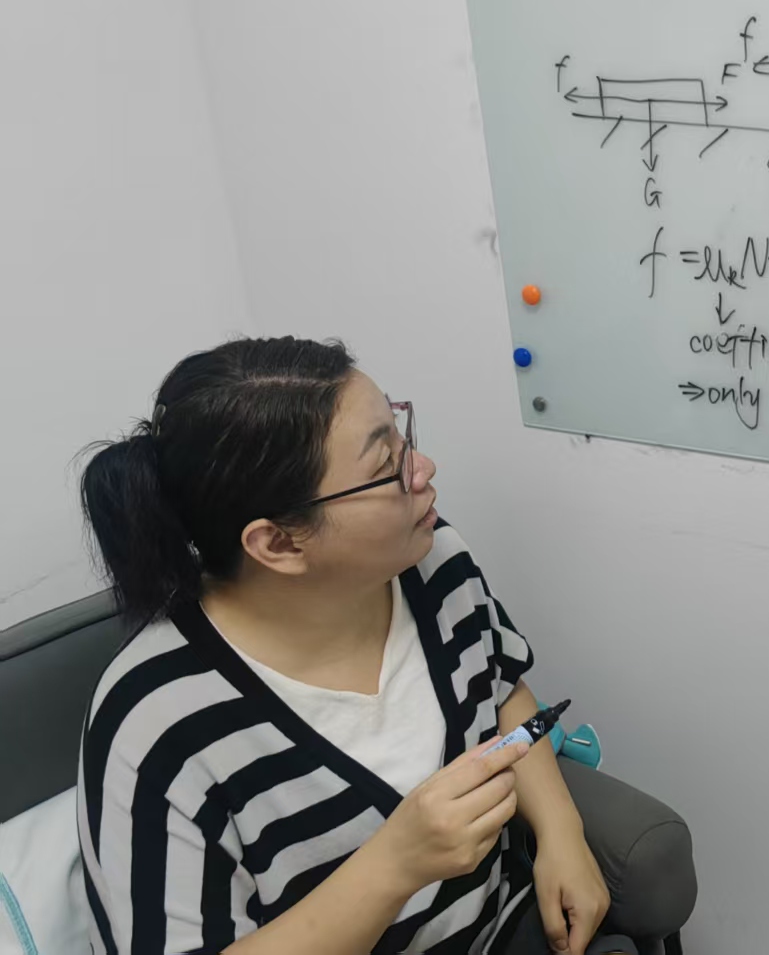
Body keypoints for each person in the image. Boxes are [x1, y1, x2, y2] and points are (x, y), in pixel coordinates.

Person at [76, 337, 694, 955]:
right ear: (279, 543)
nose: (423, 469)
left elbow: (502, 690)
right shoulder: (155, 720)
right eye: (384, 467)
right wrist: (396, 864)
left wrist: (561, 833)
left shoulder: (431, 560)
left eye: (402, 435)